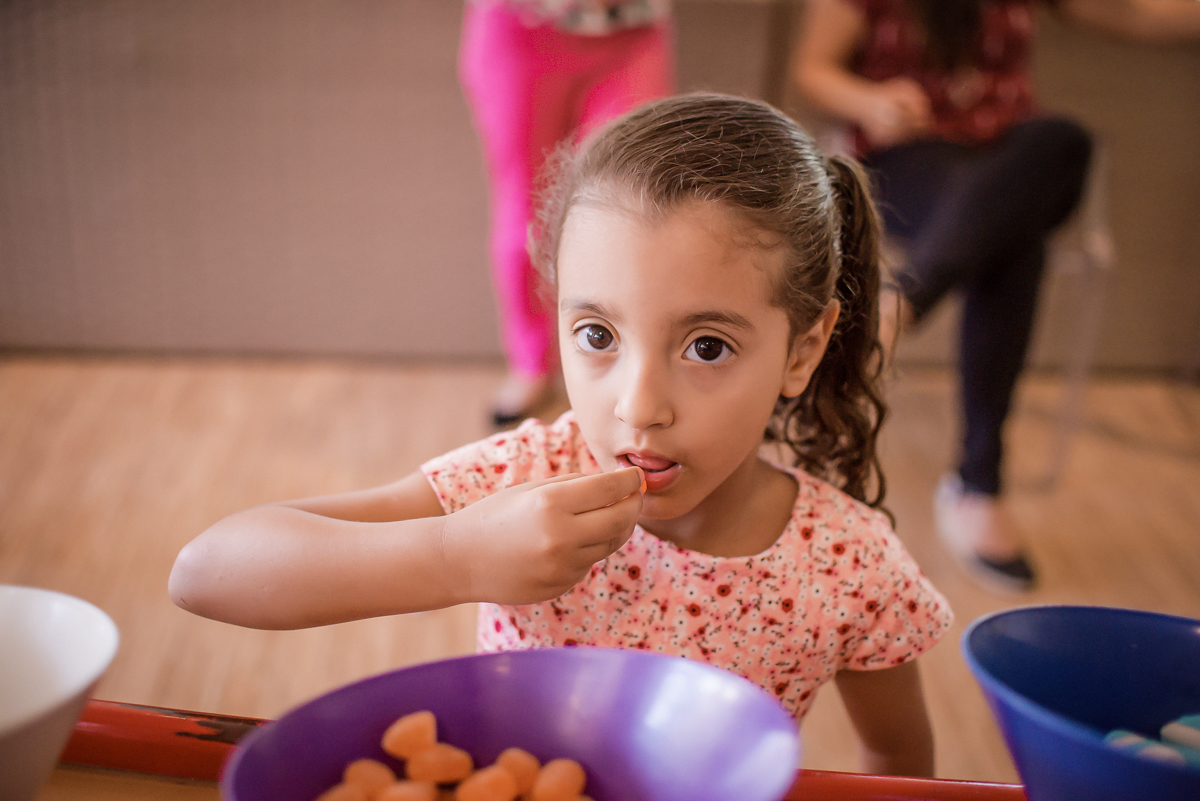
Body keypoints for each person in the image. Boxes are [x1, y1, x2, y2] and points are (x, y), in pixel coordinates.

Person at [170, 94, 953, 777]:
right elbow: (205, 571)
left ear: (803, 351)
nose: (639, 406)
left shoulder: (849, 566)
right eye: (597, 334)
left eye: (706, 346)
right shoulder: (524, 475)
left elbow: (898, 763)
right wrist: (454, 554)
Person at [793, 0, 1200, 593]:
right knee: (1015, 243)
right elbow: (813, 69)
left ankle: (900, 306)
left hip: (1010, 158)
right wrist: (870, 101)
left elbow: (1140, 14)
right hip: (908, 157)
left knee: (1062, 140)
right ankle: (979, 483)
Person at [459, 0, 675, 427]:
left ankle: (626, 356)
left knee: (631, 201)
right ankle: (532, 363)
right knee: (527, 209)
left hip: (633, 33)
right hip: (522, 29)